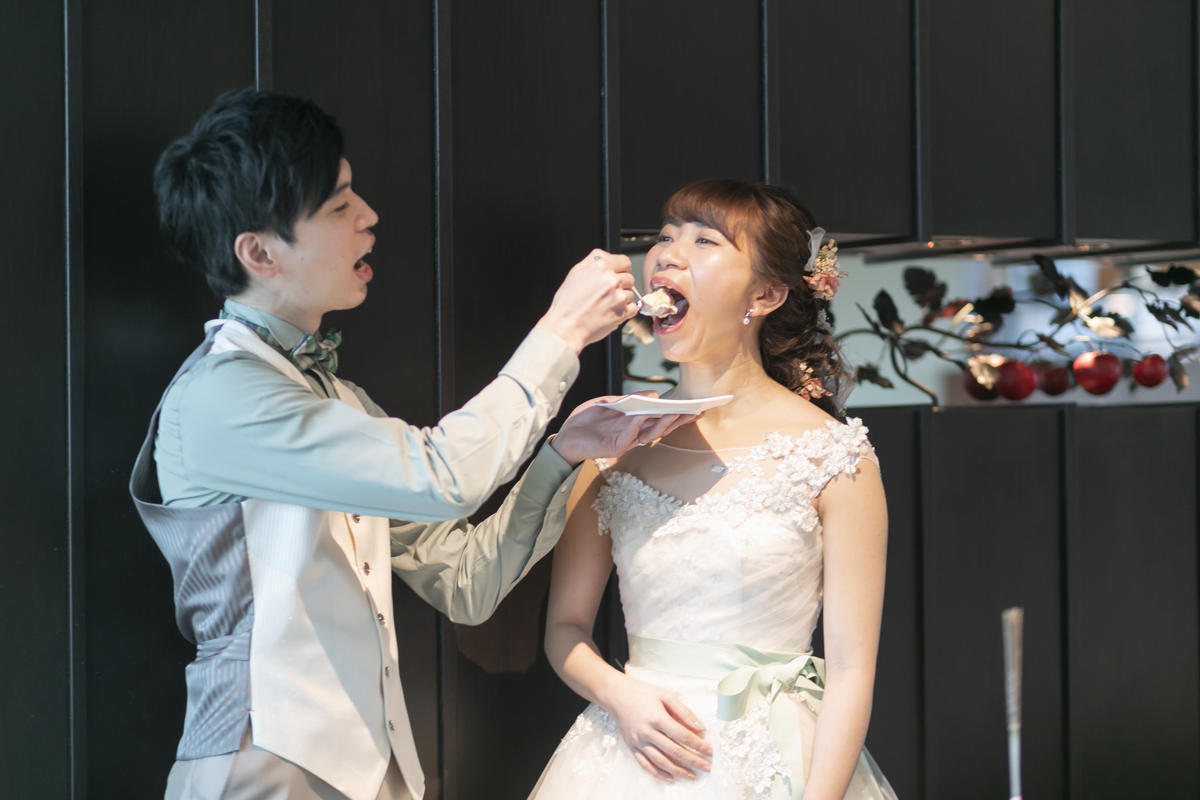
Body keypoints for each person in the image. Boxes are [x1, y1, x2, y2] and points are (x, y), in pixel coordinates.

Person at [129, 88, 688, 800]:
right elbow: (443, 475)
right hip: (259, 764)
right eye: (339, 206)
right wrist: (564, 330)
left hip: (377, 773)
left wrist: (561, 456)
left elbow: (466, 583)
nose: (368, 216)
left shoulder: (335, 399)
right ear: (259, 253)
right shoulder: (220, 396)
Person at [531, 179, 897, 799]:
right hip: (632, 755)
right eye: (665, 235)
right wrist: (621, 695)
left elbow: (851, 670)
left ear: (766, 294)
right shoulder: (614, 441)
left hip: (778, 761)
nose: (668, 254)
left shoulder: (834, 455)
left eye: (705, 241)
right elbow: (564, 628)